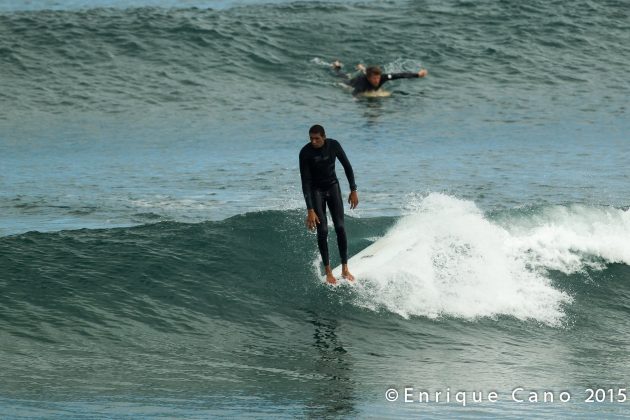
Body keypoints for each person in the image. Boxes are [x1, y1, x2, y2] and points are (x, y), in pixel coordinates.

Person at [299, 124, 359, 285]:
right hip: (316, 191)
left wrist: (353, 190)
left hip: (332, 187)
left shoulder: (334, 145)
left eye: (317, 138)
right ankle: (328, 272)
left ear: (324, 137)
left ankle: (345, 269)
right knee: (323, 230)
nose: (313, 141)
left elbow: (347, 166)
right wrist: (310, 209)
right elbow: (305, 182)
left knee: (340, 227)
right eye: (311, 138)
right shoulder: (305, 152)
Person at [332, 60, 428, 95]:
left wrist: (417, 75)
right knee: (344, 78)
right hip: (351, 83)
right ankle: (337, 67)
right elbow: (354, 94)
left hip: (367, 75)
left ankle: (362, 68)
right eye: (374, 78)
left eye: (378, 78)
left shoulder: (382, 77)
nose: (377, 80)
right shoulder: (362, 83)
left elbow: (400, 75)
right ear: (369, 78)